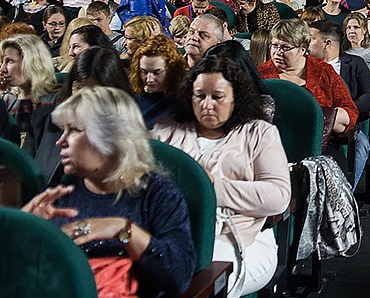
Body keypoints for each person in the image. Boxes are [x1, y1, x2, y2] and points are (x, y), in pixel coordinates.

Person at [22, 86, 197, 297]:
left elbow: (178, 277)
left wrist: (123, 229)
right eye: (63, 130)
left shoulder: (159, 194)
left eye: (75, 130)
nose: (60, 141)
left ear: (112, 137)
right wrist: (25, 230)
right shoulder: (61, 190)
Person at [152, 55, 291, 296]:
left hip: (239, 238)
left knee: (194, 279)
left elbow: (278, 196)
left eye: (217, 97)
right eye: (199, 96)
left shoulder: (259, 133)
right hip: (169, 231)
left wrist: (210, 188)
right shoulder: (165, 130)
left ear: (235, 98)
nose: (207, 105)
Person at [258, 19, 359, 148]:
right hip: (270, 146)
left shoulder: (323, 71)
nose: (277, 52)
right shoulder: (260, 74)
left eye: (285, 47)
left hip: (321, 144)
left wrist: (321, 117)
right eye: (274, 45)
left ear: (302, 49)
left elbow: (350, 112)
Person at [308, 20, 370, 189]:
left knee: (360, 147)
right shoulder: (305, 65)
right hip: (313, 124)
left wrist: (343, 110)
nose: (305, 43)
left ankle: (345, 197)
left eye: (310, 39)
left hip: (347, 126)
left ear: (327, 44)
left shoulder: (355, 64)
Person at [3, 33, 64, 184]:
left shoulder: (55, 101)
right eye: (2, 62)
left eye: (9, 61)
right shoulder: (7, 101)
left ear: (30, 62)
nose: (3, 69)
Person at [128, 34, 186, 128]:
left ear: (171, 70)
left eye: (157, 73)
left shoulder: (182, 103)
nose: (149, 79)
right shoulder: (133, 96)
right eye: (144, 72)